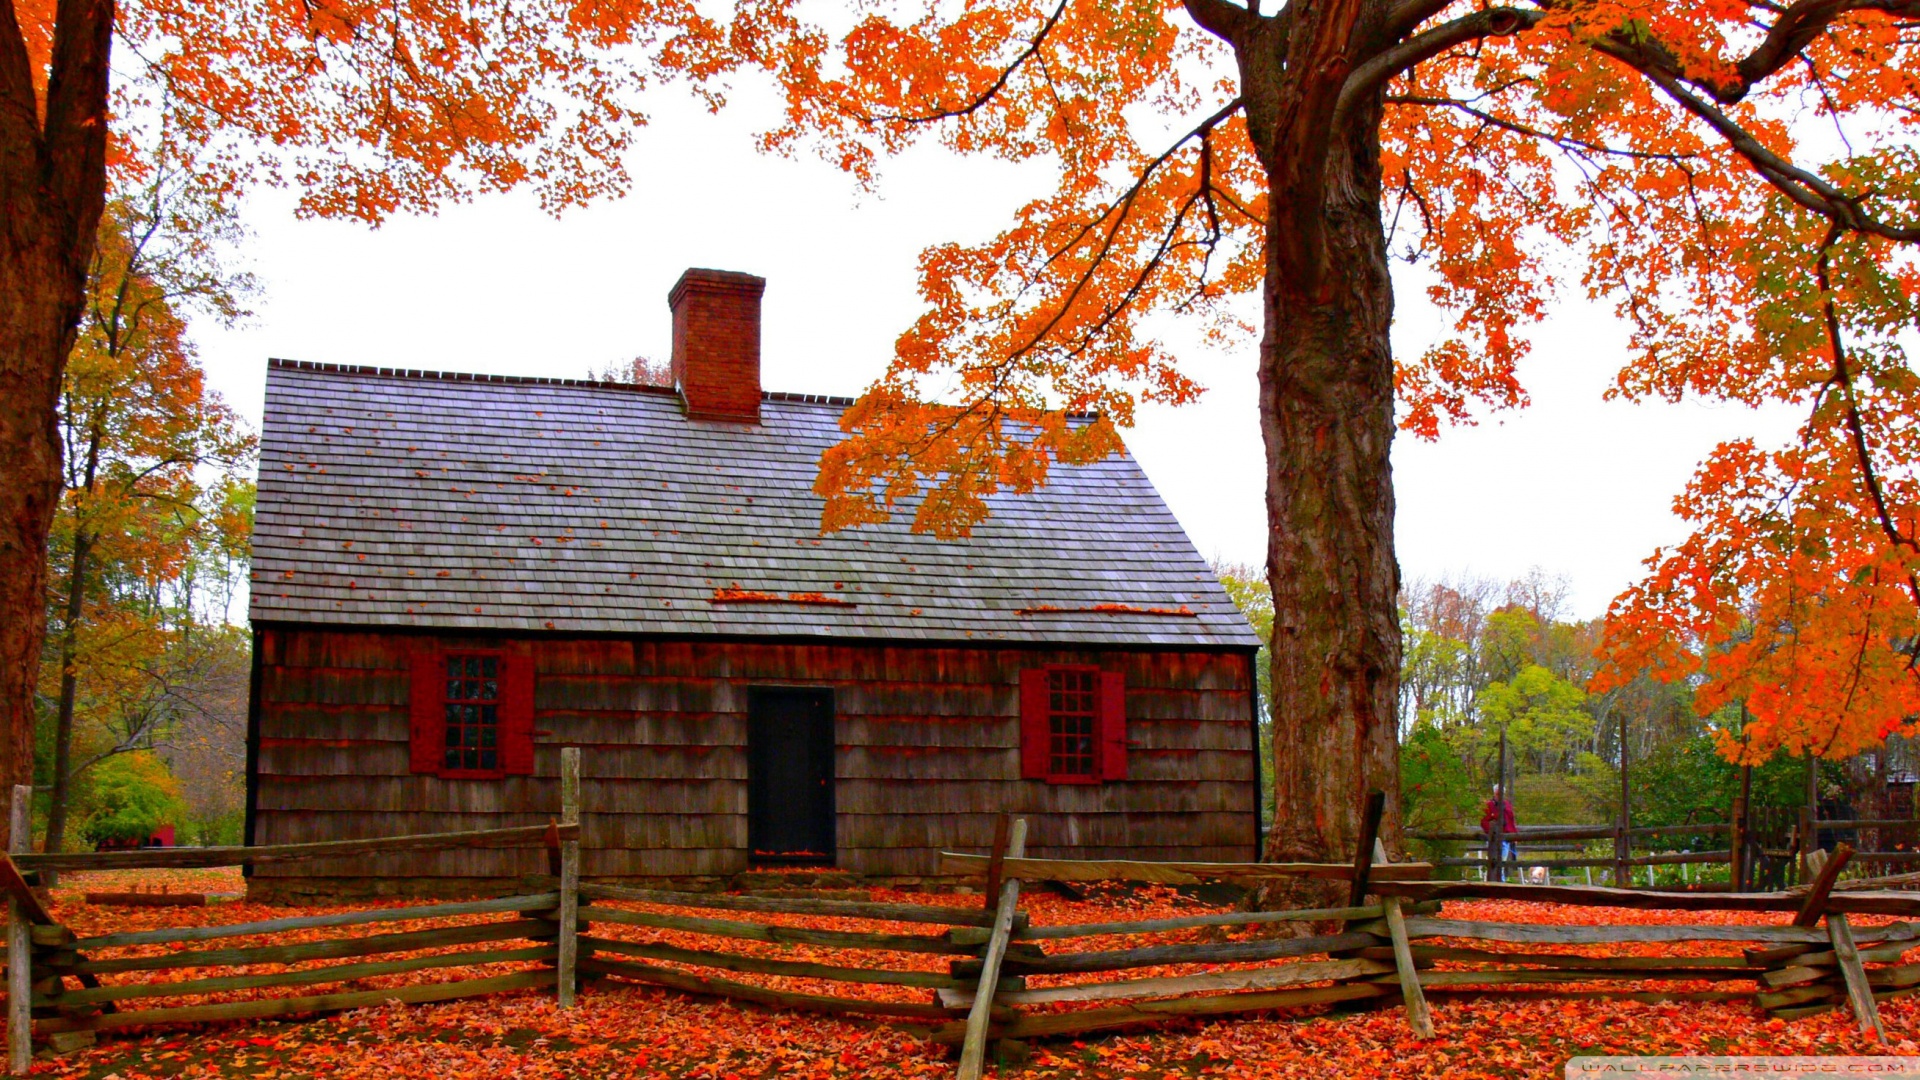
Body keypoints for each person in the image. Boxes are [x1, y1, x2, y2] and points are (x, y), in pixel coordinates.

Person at [1480, 783, 1518, 882]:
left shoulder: (1507, 805)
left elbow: (1511, 821)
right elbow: (1484, 821)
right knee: (1493, 860)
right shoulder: (1489, 805)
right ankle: (1498, 882)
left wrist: (1514, 836)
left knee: (1502, 860)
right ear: (1494, 793)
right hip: (1494, 838)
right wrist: (1491, 832)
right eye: (1497, 794)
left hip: (1506, 837)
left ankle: (1500, 881)